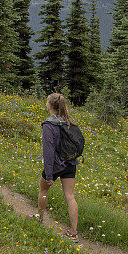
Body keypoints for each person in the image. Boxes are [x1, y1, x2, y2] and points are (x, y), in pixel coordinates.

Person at [36, 93, 79, 241]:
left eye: (47, 102)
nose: (46, 104)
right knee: (70, 196)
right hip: (70, 163)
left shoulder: (49, 125)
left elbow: (48, 151)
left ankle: (39, 219)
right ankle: (73, 234)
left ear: (49, 105)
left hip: (55, 164)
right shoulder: (68, 121)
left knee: (43, 189)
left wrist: (49, 174)